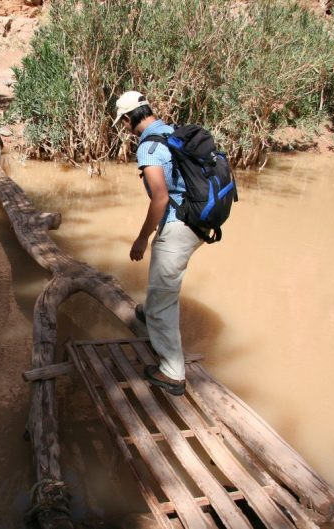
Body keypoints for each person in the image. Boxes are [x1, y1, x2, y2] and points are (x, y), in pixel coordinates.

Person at [113, 90, 204, 396]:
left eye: (123, 123)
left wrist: (141, 238)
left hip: (179, 226)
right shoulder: (172, 132)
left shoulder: (149, 147)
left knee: (164, 296)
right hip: (199, 222)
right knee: (163, 284)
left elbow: (161, 198)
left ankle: (172, 373)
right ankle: (148, 309)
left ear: (127, 119)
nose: (125, 127)